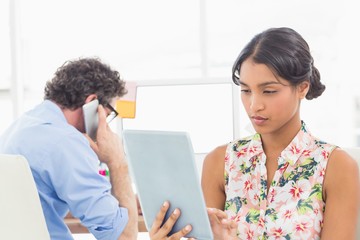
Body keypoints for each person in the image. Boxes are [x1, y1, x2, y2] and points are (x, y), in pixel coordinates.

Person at [151, 27, 360, 239]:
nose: (254, 105)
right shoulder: (220, 162)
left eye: (268, 91)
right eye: (245, 90)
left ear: (302, 88)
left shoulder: (337, 167)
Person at [0, 57, 138, 240]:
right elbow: (124, 237)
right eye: (109, 113)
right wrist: (117, 161)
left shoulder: (22, 125)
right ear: (92, 103)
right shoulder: (67, 142)